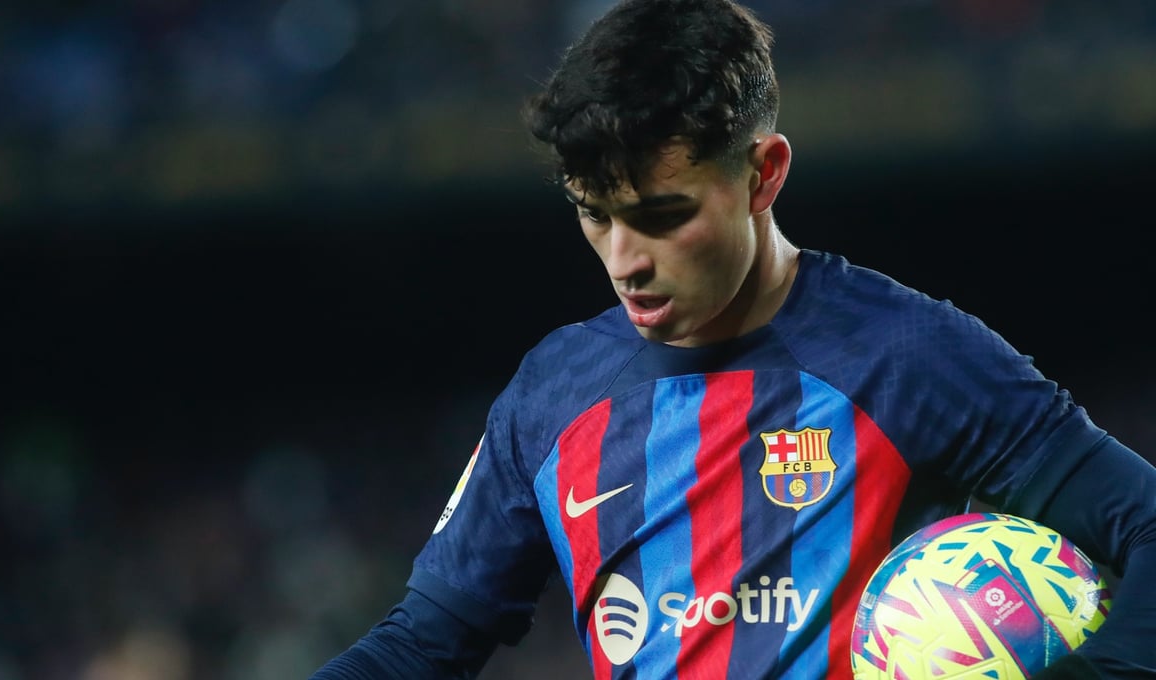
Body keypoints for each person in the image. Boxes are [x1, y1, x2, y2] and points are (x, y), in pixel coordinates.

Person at [309, 0, 1156, 677]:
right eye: (594, 215)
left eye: (662, 216)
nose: (624, 260)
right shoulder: (553, 391)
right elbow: (423, 644)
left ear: (763, 173)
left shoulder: (907, 355)